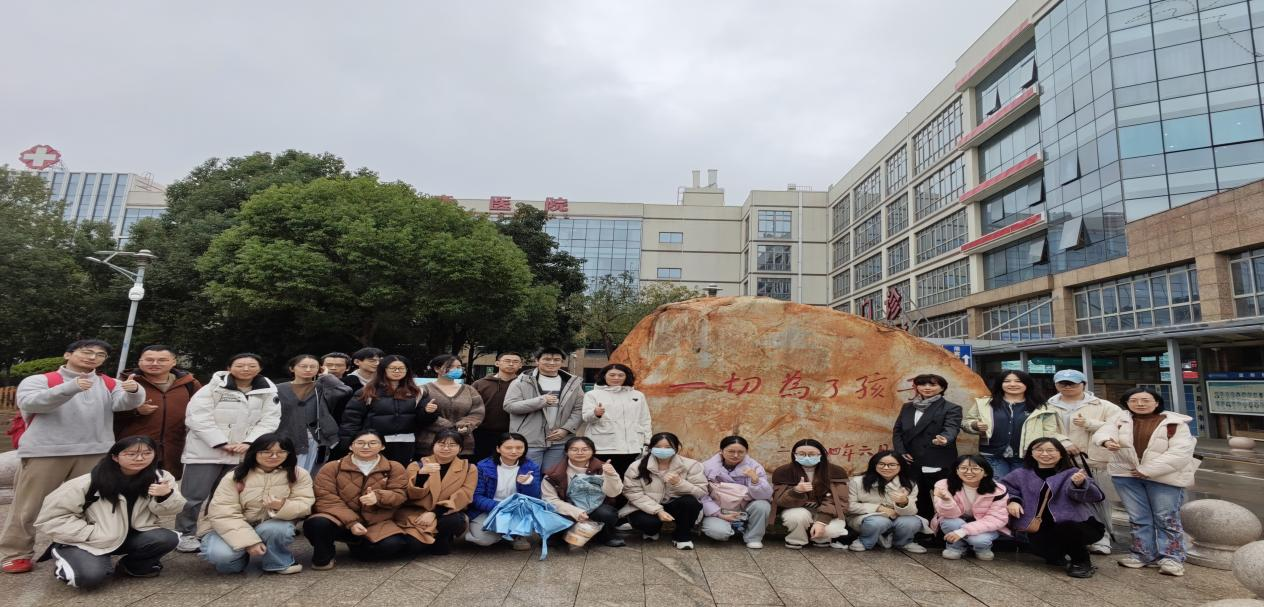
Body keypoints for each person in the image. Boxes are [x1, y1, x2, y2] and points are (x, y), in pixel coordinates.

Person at [2, 339, 144, 574]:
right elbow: (31, 403)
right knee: (28, 506)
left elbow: (124, 404)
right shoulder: (41, 380)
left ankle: (76, 548)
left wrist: (135, 392)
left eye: (100, 355)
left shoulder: (109, 383)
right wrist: (71, 387)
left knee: (87, 505)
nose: (93, 357)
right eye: (86, 352)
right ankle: (15, 553)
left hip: (94, 451)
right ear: (68, 354)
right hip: (46, 451)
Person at [34, 436, 183, 589]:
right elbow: (51, 518)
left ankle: (132, 567)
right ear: (115, 457)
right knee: (89, 577)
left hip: (128, 536)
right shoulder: (88, 483)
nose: (140, 458)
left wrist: (166, 495)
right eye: (131, 454)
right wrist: (91, 533)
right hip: (87, 540)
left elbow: (174, 509)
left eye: (147, 453)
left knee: (167, 538)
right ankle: (63, 553)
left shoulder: (161, 478)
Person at [176, 353, 282, 554]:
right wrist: (221, 442)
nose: (246, 369)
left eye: (251, 365)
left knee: (225, 497)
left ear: (260, 369)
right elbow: (197, 417)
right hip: (205, 451)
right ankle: (184, 533)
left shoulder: (268, 391)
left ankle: (210, 531)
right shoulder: (212, 388)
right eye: (240, 365)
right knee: (193, 496)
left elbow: (270, 420)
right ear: (229, 367)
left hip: (242, 453)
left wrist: (249, 442)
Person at [1093, 387, 1198, 577]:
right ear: (1126, 403)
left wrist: (1147, 470)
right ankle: (1142, 554)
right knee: (1138, 517)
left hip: (1164, 477)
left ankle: (1172, 557)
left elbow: (1180, 453)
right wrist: (1106, 441)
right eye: (1134, 400)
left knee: (1166, 517)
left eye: (1145, 400)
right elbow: (1103, 432)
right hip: (1126, 475)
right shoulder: (1120, 419)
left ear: (1156, 402)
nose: (1139, 404)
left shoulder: (1174, 423)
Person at [197, 433, 315, 574]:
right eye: (266, 452)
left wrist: (282, 506)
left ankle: (277, 561)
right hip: (229, 526)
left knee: (278, 530)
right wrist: (250, 542)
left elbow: (305, 504)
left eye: (281, 452)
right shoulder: (236, 475)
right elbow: (223, 513)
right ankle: (240, 555)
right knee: (224, 559)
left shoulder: (298, 474)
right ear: (254, 452)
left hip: (269, 523)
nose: (274, 456)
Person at [303, 429, 418, 569]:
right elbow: (326, 499)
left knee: (393, 545)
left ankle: (359, 548)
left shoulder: (394, 467)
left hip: (376, 521)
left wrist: (379, 497)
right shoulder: (332, 467)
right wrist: (352, 522)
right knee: (317, 524)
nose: (366, 447)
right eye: (360, 443)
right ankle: (324, 556)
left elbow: (400, 495)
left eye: (372, 443)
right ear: (351, 446)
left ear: (382, 446)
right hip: (339, 520)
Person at [1001, 438, 1105, 578]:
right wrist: (1013, 501)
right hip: (1039, 527)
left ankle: (1081, 562)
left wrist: (1080, 484)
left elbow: (1097, 496)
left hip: (1078, 525)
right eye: (1039, 450)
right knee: (1041, 549)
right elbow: (1003, 489)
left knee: (1067, 529)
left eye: (1050, 450)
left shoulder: (1072, 473)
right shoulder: (1021, 474)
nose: (1045, 454)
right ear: (1031, 453)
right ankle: (1058, 554)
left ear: (1061, 454)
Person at [1049, 369, 1123, 555]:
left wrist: (1090, 424)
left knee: (1098, 500)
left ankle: (1102, 538)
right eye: (1063, 383)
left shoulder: (1104, 406)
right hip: (1061, 461)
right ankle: (1076, 538)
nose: (1067, 386)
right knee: (1067, 501)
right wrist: (1063, 442)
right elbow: (1043, 429)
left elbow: (1121, 426)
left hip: (1094, 461)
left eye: (1072, 383)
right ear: (1056, 385)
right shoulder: (1047, 406)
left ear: (1083, 384)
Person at [113, 344, 202, 478]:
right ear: (140, 361)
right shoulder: (124, 383)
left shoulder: (189, 384)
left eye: (162, 360)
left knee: (166, 485)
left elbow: (201, 413)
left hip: (174, 448)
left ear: (173, 362)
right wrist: (135, 411)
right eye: (149, 360)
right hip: (134, 448)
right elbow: (106, 412)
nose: (155, 363)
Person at [339, 355, 436, 465]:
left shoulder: (417, 392)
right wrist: (348, 443)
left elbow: (423, 421)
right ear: (383, 370)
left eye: (401, 368)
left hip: (405, 443)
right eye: (392, 368)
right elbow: (351, 419)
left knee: (400, 472)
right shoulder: (368, 391)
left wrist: (428, 412)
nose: (397, 371)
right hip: (373, 442)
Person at [962, 371, 1061, 479]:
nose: (1012, 384)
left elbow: (1050, 431)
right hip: (992, 455)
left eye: (1018, 381)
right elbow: (967, 422)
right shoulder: (984, 403)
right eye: (1007, 381)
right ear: (1000, 384)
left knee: (1021, 485)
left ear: (1027, 384)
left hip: (1026, 456)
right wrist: (975, 425)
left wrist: (1043, 451)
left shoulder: (1041, 407)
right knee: (999, 486)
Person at [892, 373, 963, 521]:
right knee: (919, 497)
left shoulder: (951, 408)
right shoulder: (908, 407)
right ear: (916, 387)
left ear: (942, 388)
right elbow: (898, 431)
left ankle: (945, 529)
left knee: (943, 497)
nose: (927, 387)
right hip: (912, 460)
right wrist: (901, 452)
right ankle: (923, 528)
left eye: (932, 384)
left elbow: (951, 428)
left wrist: (945, 439)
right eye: (922, 384)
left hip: (937, 459)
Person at [395, 429, 479, 555]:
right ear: (433, 445)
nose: (446, 448)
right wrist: (422, 475)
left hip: (446, 512)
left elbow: (465, 495)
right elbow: (410, 495)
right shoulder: (417, 465)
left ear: (460, 448)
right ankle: (427, 538)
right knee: (414, 547)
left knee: (453, 521)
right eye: (441, 444)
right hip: (417, 512)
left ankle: (441, 538)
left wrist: (434, 513)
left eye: (452, 445)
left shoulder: (469, 468)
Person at [621, 432, 706, 549]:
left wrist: (679, 483)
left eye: (668, 447)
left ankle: (682, 536)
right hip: (647, 505)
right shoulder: (636, 466)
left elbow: (701, 491)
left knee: (690, 503)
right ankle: (651, 531)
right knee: (647, 523)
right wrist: (658, 511)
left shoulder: (691, 465)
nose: (663, 450)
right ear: (651, 448)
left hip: (675, 504)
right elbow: (632, 492)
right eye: (658, 447)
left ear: (676, 448)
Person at [504, 347, 585, 470]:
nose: (552, 363)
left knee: (552, 476)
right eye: (547, 359)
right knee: (529, 476)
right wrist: (541, 401)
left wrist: (566, 429)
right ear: (537, 361)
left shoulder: (572, 383)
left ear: (562, 362)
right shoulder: (521, 381)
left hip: (560, 440)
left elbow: (579, 409)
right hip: (530, 440)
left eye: (556, 360)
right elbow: (509, 406)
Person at [542, 436, 626, 547]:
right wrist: (576, 512)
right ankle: (560, 537)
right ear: (566, 452)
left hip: (596, 508)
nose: (580, 453)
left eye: (585, 449)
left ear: (593, 451)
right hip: (569, 508)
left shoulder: (603, 468)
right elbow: (550, 499)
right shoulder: (554, 473)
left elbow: (613, 493)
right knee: (555, 517)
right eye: (574, 449)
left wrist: (611, 475)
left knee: (606, 513)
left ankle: (605, 536)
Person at [465, 432, 542, 550]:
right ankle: (504, 532)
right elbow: (476, 496)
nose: (514, 451)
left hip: (517, 511)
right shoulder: (483, 466)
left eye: (519, 448)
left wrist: (528, 483)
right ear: (498, 449)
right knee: (483, 539)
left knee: (530, 514)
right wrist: (501, 506)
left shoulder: (531, 467)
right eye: (508, 448)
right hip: (490, 509)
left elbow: (534, 498)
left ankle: (516, 534)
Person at [771, 438, 851, 550]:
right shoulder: (784, 472)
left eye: (812, 454)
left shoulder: (836, 471)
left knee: (833, 529)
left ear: (821, 454)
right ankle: (796, 539)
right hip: (797, 508)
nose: (807, 457)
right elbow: (779, 501)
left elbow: (838, 500)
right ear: (794, 454)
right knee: (797, 516)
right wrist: (796, 491)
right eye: (801, 454)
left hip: (825, 509)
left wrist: (822, 521)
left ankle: (821, 538)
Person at [276, 354, 350, 473]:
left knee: (312, 473)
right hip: (286, 437)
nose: (308, 369)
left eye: (313, 367)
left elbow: (344, 391)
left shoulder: (322, 387)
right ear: (292, 368)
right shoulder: (278, 389)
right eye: (303, 366)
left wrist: (326, 376)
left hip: (316, 438)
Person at [698, 436, 772, 549]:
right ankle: (731, 528)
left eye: (741, 452)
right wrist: (719, 514)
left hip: (744, 508)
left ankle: (753, 537)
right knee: (719, 533)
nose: (736, 455)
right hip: (718, 510)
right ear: (721, 451)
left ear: (746, 452)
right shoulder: (707, 467)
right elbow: (701, 494)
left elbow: (765, 496)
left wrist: (755, 481)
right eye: (731, 451)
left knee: (763, 505)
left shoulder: (754, 467)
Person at [931, 454, 1010, 560]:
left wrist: (963, 531)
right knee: (949, 522)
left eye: (975, 469)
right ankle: (956, 547)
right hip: (957, 521)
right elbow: (946, 514)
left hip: (984, 524)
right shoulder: (944, 485)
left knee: (979, 540)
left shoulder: (998, 491)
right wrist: (946, 501)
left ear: (985, 472)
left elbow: (996, 518)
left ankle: (982, 548)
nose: (968, 472)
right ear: (956, 471)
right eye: (963, 468)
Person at [845, 450, 925, 553]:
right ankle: (865, 541)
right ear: (874, 465)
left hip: (897, 518)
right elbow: (849, 506)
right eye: (881, 464)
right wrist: (878, 508)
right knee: (877, 522)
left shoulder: (910, 484)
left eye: (892, 465)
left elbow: (912, 512)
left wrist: (904, 502)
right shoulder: (857, 481)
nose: (886, 468)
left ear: (901, 466)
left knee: (911, 522)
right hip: (866, 518)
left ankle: (903, 542)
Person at [580, 363, 652, 476]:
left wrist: (647, 442)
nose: (616, 378)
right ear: (604, 376)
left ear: (626, 376)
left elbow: (645, 420)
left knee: (629, 478)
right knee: (605, 479)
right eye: (612, 375)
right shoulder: (592, 394)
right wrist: (596, 414)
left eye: (620, 375)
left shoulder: (638, 395)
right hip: (604, 447)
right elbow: (586, 418)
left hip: (633, 446)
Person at [418, 354, 485, 458]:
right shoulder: (424, 389)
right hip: (430, 444)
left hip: (463, 445)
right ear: (437, 369)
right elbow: (418, 413)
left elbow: (478, 412)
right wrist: (448, 426)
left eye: (459, 367)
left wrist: (465, 425)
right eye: (450, 366)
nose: (456, 370)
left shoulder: (469, 390)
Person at [472, 352, 524, 462]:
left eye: (515, 361)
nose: (511, 364)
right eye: (507, 361)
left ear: (520, 365)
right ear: (497, 363)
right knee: (481, 463)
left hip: (514, 433)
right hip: (483, 432)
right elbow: (471, 407)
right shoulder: (480, 384)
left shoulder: (524, 384)